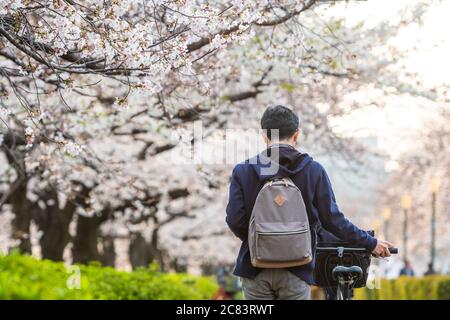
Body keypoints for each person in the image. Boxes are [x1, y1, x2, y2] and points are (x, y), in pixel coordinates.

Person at [225, 105, 393, 300]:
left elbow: (235, 219)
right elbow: (332, 220)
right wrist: (370, 242)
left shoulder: (244, 171)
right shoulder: (313, 170)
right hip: (298, 268)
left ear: (265, 136)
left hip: (255, 267)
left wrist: (260, 241)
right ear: (296, 135)